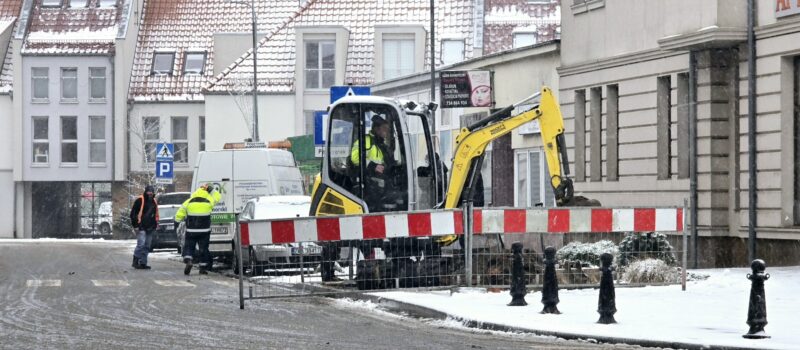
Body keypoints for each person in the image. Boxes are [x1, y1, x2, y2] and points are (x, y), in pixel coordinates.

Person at [175, 183, 221, 275]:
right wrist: (210, 189)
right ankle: (203, 268)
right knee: (203, 249)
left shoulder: (189, 201)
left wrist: (176, 222)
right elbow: (218, 196)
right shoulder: (209, 200)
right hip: (204, 231)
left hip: (191, 230)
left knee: (189, 246)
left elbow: (180, 213)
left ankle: (188, 259)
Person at [130, 185, 159, 270]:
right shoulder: (140, 200)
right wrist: (136, 225)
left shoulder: (154, 201)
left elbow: (156, 214)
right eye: (148, 191)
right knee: (141, 244)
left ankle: (143, 262)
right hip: (141, 226)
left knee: (147, 245)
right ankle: (135, 261)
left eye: (151, 191)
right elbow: (133, 214)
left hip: (150, 227)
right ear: (146, 191)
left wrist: (155, 224)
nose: (150, 193)